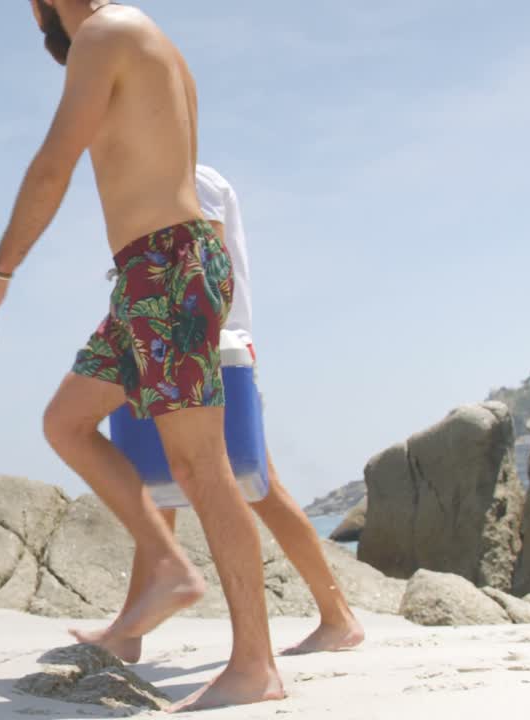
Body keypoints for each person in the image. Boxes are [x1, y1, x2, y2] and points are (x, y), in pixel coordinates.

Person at [0, 2, 283, 711]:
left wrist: (0, 274)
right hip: (150, 273)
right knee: (67, 422)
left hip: (169, 265)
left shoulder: (109, 33)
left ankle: (256, 665)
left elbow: (53, 166)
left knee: (201, 467)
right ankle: (169, 567)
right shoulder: (141, 38)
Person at [73, 164, 365, 663]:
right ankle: (130, 632)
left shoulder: (191, 177)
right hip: (192, 350)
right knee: (171, 489)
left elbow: (202, 265)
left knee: (253, 487)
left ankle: (337, 619)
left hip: (205, 351)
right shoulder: (165, 180)